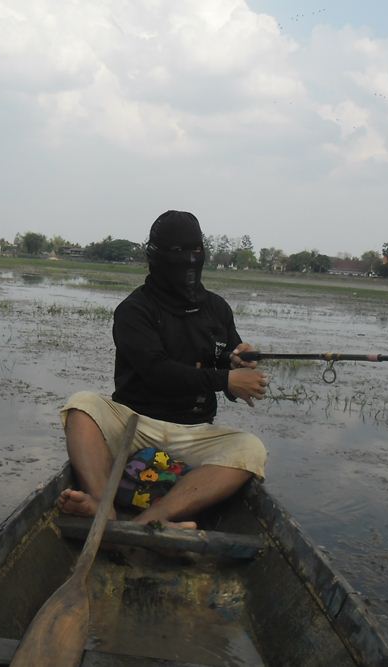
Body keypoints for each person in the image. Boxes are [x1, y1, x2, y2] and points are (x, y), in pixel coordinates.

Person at [58, 210, 268, 528]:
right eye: (177, 251)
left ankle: (151, 519)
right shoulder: (134, 310)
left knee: (251, 449)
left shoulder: (217, 309)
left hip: (195, 431)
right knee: (82, 405)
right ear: (154, 256)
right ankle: (104, 507)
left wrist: (238, 361)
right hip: (135, 424)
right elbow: (157, 371)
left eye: (196, 249)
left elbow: (227, 360)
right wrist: (226, 378)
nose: (189, 258)